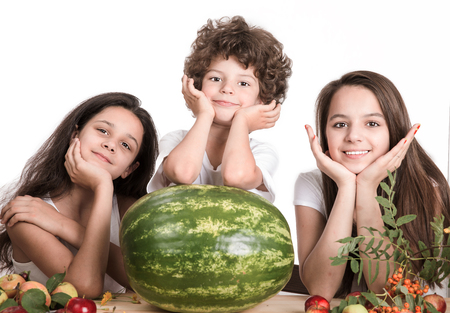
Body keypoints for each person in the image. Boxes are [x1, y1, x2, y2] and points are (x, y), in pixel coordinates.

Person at [294, 70, 450, 300]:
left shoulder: (428, 188)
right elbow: (320, 290)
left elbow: (390, 293)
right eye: (340, 124)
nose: (354, 136)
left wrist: (366, 188)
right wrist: (347, 187)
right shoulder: (311, 184)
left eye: (372, 123)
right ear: (325, 134)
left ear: (394, 130)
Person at [0, 92, 159, 298]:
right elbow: (84, 289)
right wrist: (103, 188)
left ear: (129, 168)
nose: (110, 145)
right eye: (103, 130)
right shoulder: (27, 215)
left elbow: (153, 281)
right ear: (75, 135)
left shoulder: (131, 210)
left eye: (126, 145)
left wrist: (64, 225)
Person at [147, 16, 292, 202]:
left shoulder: (262, 152)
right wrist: (204, 114)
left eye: (243, 83)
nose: (227, 89)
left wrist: (242, 121)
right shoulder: (175, 140)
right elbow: (183, 173)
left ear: (262, 99)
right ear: (197, 86)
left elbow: (235, 176)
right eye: (215, 79)